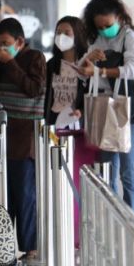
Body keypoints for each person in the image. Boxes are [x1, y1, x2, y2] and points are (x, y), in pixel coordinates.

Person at [79, 0, 134, 215]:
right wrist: (89, 59)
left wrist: (101, 70)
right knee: (107, 168)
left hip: (128, 109)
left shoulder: (129, 37)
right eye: (99, 26)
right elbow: (82, 72)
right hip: (103, 107)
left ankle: (133, 220)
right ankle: (111, 218)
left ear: (119, 17)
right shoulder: (95, 40)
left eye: (108, 25)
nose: (104, 29)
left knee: (127, 169)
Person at [0, 17, 46, 259]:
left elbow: (33, 89)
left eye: (6, 43)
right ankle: (4, 245)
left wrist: (10, 62)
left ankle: (30, 246)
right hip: (2, 135)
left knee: (25, 195)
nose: (1, 47)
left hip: (25, 138)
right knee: (4, 195)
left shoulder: (35, 58)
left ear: (19, 41)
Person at [44, 15, 94, 247]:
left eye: (67, 32)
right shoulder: (51, 65)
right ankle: (62, 232)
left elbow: (93, 92)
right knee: (57, 180)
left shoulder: (86, 65)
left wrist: (82, 112)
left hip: (79, 129)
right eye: (58, 31)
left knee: (78, 181)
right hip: (55, 126)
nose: (61, 37)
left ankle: (81, 232)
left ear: (78, 35)